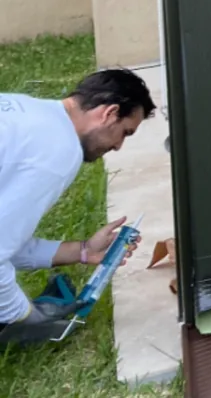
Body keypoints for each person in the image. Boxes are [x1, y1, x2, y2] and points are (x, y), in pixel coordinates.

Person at [0, 68, 154, 332]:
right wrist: (23, 319)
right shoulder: (58, 149)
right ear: (109, 113)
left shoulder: (30, 113)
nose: (118, 147)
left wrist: (83, 250)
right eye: (125, 133)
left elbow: (7, 241)